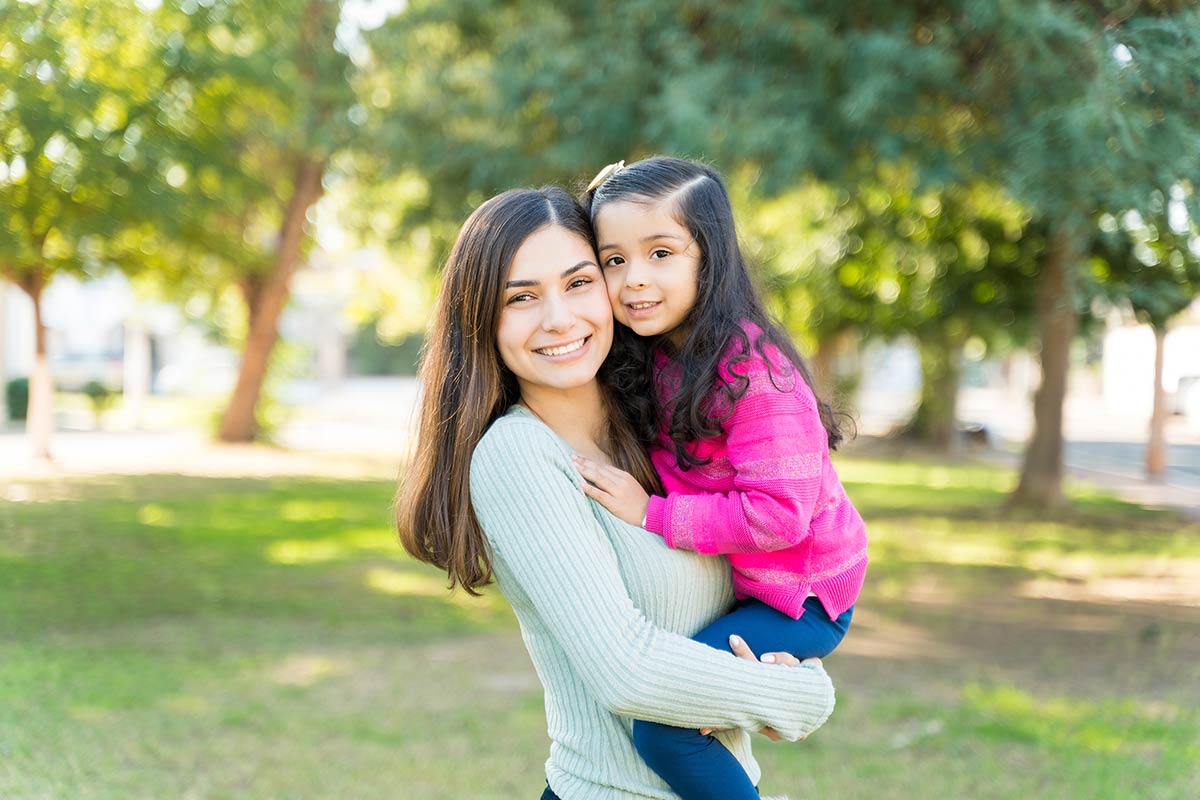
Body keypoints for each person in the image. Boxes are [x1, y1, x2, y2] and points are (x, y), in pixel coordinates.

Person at [396, 185, 836, 800]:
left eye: (579, 283)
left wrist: (766, 665)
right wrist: (802, 694)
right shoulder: (518, 456)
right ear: (481, 321)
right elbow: (626, 670)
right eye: (521, 297)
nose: (558, 318)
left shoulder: (663, 428)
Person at [571, 157, 869, 800]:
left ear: (710, 258)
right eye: (614, 260)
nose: (634, 280)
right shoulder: (657, 355)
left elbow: (777, 515)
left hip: (802, 597)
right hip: (751, 587)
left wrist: (652, 513)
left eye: (660, 253)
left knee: (664, 727)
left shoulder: (755, 373)